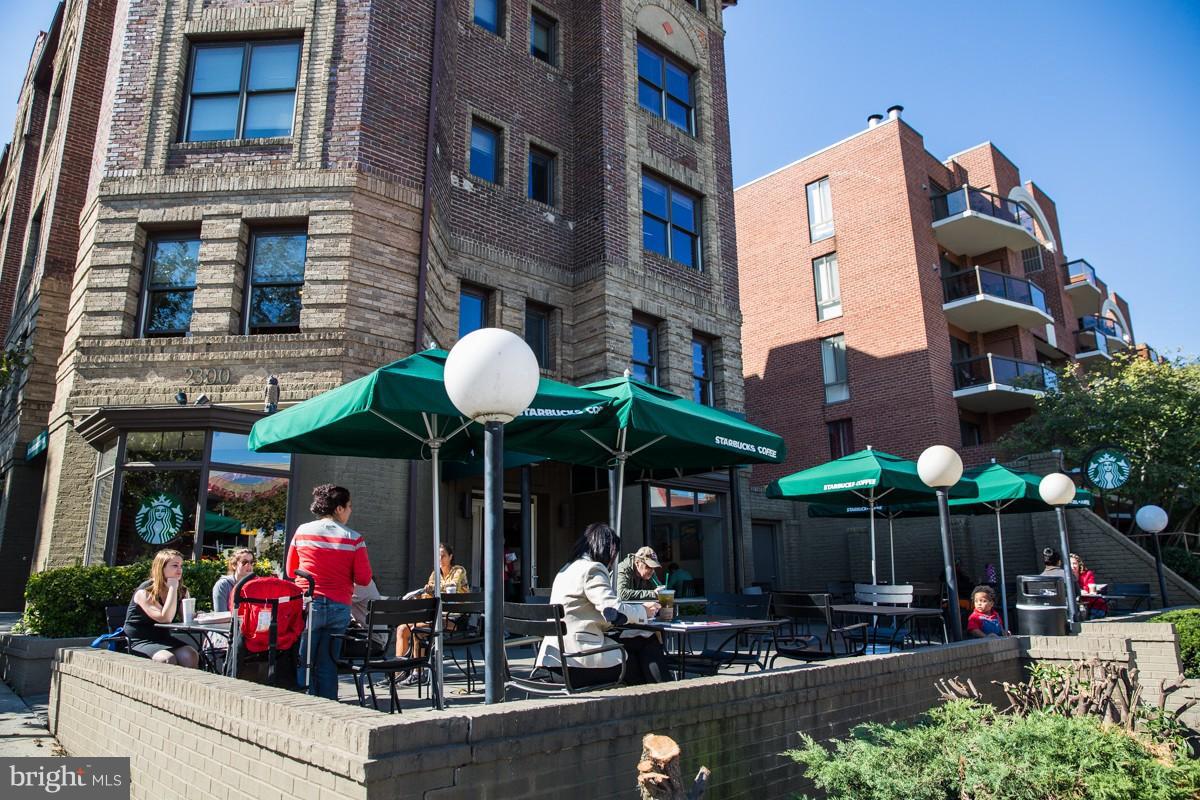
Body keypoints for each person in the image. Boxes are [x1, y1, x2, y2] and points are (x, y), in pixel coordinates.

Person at [536, 523, 667, 688]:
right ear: (608, 550)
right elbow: (614, 611)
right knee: (643, 648)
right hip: (574, 662)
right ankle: (665, 694)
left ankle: (657, 696)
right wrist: (644, 611)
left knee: (639, 647)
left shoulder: (566, 569)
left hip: (553, 658)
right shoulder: (592, 568)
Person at [286, 484, 373, 700]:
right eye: (349, 506)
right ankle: (328, 708)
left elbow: (290, 570)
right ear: (339, 508)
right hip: (339, 605)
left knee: (304, 660)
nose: (351, 511)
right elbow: (364, 578)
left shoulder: (302, 531)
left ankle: (301, 706)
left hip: (309, 604)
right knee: (327, 664)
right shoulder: (354, 538)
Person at [123, 549, 200, 667]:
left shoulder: (182, 590)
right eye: (175, 566)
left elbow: (186, 618)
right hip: (140, 640)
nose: (179, 570)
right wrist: (173, 588)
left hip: (163, 638)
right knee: (168, 659)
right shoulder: (145, 591)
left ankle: (184, 685)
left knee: (190, 655)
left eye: (181, 566)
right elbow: (165, 618)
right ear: (161, 568)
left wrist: (200, 615)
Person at [396, 543, 469, 665]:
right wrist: (421, 596)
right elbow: (429, 597)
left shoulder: (459, 570)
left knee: (417, 630)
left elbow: (453, 585)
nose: (440, 559)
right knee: (402, 629)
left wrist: (433, 588)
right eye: (438, 556)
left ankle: (418, 672)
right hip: (437, 618)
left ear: (451, 556)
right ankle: (397, 671)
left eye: (443, 556)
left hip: (455, 619)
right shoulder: (435, 574)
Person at [212, 548, 255, 613]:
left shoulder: (256, 585)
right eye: (244, 562)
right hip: (230, 622)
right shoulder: (223, 585)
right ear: (234, 565)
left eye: (252, 562)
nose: (249, 565)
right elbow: (221, 615)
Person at [1071, 552, 1108, 618]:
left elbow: (1093, 591)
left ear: (1079, 564)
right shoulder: (1066, 577)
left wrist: (1090, 591)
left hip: (1094, 606)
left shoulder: (1088, 574)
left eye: (1075, 563)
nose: (1072, 566)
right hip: (1077, 607)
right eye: (1070, 564)